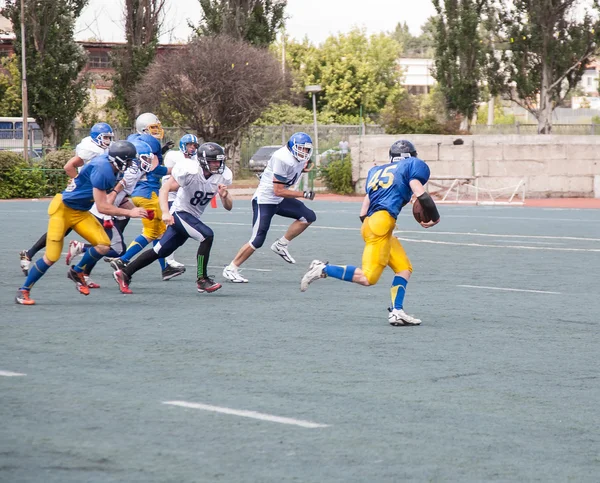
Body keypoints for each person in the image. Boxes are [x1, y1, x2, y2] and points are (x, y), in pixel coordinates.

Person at [299, 139, 440, 327]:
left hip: (373, 223)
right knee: (368, 278)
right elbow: (422, 195)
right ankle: (323, 269)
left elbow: (363, 211)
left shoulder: (377, 172)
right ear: (411, 157)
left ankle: (397, 311)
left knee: (404, 268)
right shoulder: (412, 167)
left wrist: (373, 228)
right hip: (382, 224)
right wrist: (435, 217)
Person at [15, 140, 148, 305]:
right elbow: (102, 206)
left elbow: (109, 199)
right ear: (118, 160)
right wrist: (130, 212)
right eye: (127, 161)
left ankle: (77, 271)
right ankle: (23, 291)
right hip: (63, 210)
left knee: (104, 245)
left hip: (81, 211)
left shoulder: (112, 167)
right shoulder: (103, 169)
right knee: (52, 256)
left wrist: (133, 207)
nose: (129, 165)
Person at [113, 142, 233, 294]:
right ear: (203, 161)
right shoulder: (190, 171)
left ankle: (125, 273)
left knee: (160, 251)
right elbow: (165, 188)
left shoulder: (221, 176)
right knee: (207, 236)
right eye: (213, 161)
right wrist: (165, 212)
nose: (217, 164)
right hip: (180, 213)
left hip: (192, 216)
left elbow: (229, 206)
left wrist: (225, 196)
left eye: (219, 161)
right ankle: (202, 279)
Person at [19, 122, 114, 276]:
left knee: (68, 231)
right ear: (97, 137)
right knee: (100, 235)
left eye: (110, 137)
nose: (108, 141)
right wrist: (78, 181)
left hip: (93, 191)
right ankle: (82, 269)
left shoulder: (105, 148)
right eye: (106, 137)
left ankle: (30, 253)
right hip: (86, 193)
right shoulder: (90, 149)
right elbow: (68, 166)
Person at [222, 132, 316, 283]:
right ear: (292, 147)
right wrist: (303, 193)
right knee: (257, 240)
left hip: (278, 199)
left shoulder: (298, 158)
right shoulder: (282, 158)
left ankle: (281, 244)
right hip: (265, 200)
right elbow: (278, 190)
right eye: (301, 149)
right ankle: (231, 268)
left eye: (306, 149)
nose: (304, 152)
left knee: (308, 217)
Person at [67, 139, 158, 284]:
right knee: (115, 249)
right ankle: (81, 252)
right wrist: (109, 216)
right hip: (101, 211)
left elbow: (121, 198)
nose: (149, 161)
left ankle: (84, 274)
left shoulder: (133, 168)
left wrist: (136, 210)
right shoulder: (131, 172)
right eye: (146, 158)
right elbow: (112, 196)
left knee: (106, 245)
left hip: (104, 209)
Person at [109, 117, 182, 281]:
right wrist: (175, 170)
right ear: (144, 129)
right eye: (153, 128)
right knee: (155, 232)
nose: (157, 131)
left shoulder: (135, 141)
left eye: (157, 127)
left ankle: (165, 269)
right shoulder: (148, 144)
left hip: (139, 193)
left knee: (157, 232)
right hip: (150, 194)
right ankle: (123, 260)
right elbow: (154, 170)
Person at [160, 133, 200, 270]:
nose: (192, 148)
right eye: (190, 145)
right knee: (172, 226)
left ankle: (166, 258)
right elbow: (171, 174)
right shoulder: (173, 156)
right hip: (170, 193)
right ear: (183, 145)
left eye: (194, 145)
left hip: (181, 196)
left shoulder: (195, 158)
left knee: (172, 229)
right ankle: (168, 260)